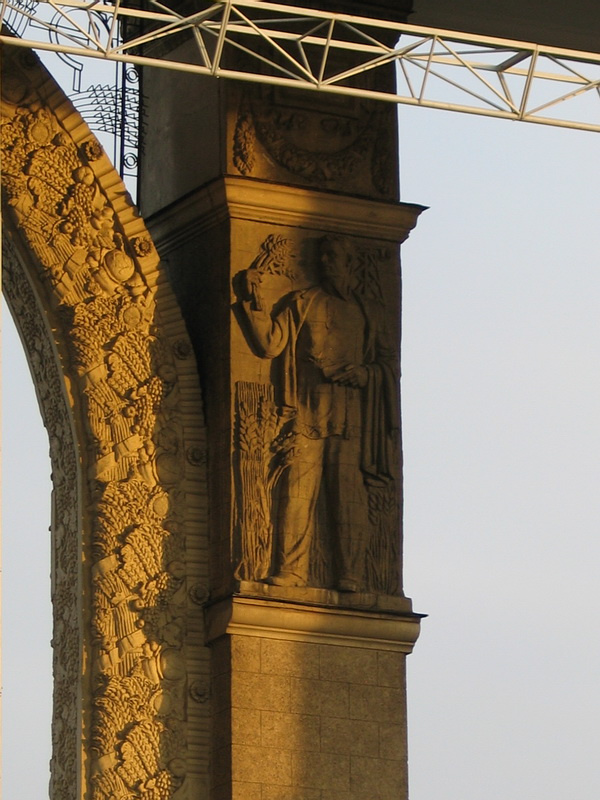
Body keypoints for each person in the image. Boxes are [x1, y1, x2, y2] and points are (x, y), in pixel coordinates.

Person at [241, 235, 398, 592]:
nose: (326, 262)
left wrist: (364, 374)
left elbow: (387, 364)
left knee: (348, 499)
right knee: (295, 496)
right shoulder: (302, 303)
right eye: (323, 256)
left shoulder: (368, 312)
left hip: (351, 421)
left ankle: (351, 575)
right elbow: (270, 344)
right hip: (307, 416)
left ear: (350, 264)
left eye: (334, 256)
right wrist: (254, 299)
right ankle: (291, 571)